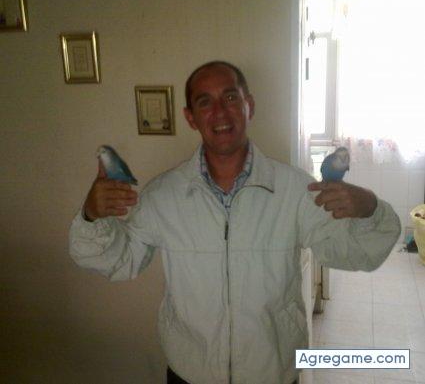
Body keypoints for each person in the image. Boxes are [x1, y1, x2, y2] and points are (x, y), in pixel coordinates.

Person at [69, 61, 401, 384]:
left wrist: (370, 209)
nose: (220, 112)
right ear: (190, 117)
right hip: (191, 373)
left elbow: (356, 254)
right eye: (205, 102)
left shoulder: (295, 190)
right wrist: (92, 216)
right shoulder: (164, 196)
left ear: (248, 106)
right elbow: (120, 261)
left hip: (272, 372)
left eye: (230, 97)